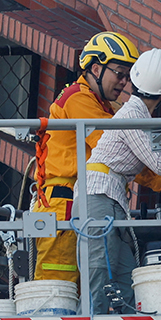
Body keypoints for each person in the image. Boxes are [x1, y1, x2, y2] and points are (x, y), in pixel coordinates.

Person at [30, 31, 139, 286]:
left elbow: (132, 141)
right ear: (96, 68)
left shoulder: (105, 105)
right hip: (64, 204)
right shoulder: (79, 99)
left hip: (86, 203)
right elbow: (118, 147)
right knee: (58, 289)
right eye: (119, 73)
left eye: (128, 76)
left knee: (92, 286)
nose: (124, 82)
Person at [80, 48, 161, 312]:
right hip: (99, 192)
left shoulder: (136, 114)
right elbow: (160, 163)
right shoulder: (132, 115)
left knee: (126, 273)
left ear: (134, 81)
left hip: (109, 194)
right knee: (100, 268)